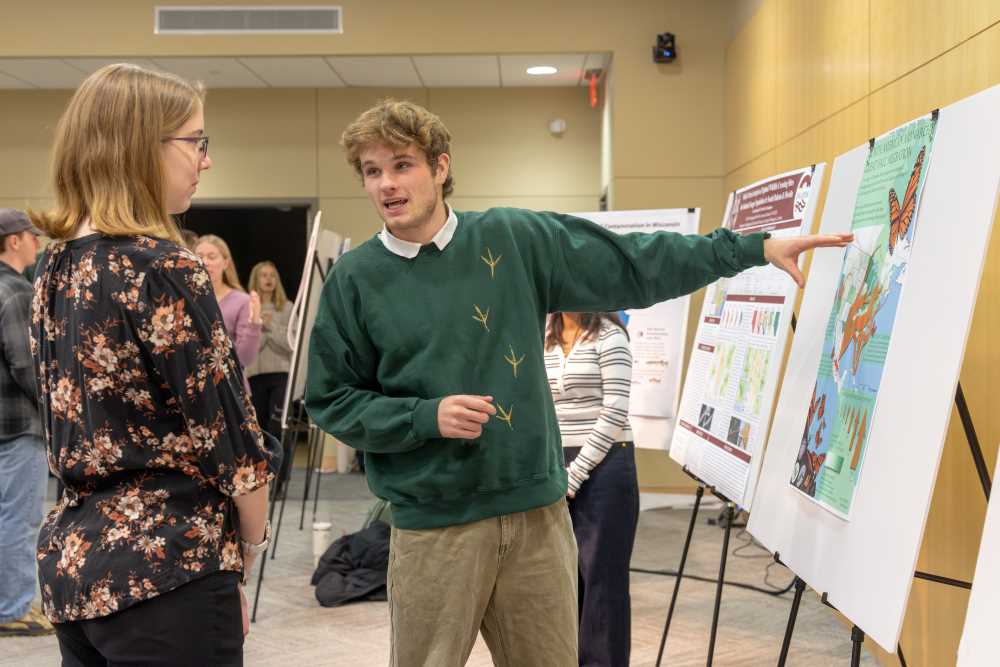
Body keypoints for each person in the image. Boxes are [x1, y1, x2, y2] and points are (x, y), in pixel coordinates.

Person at [304, 98, 851, 666]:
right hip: (434, 527)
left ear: (440, 167)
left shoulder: (513, 239)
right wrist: (423, 417)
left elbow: (631, 263)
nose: (387, 184)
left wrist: (749, 249)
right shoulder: (356, 279)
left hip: (537, 518)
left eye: (402, 165)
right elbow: (331, 399)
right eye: (373, 172)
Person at [28, 63, 276, 665]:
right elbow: (230, 436)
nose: (205, 159)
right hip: (169, 565)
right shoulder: (164, 265)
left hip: (75, 565)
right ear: (141, 148)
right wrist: (246, 547)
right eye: (196, 141)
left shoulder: (56, 268)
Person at [545, 311, 636, 666]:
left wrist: (575, 473)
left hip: (606, 465)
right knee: (565, 579)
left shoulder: (610, 336)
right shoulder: (545, 336)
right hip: (557, 465)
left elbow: (614, 412)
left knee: (602, 581)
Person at [0, 209, 50, 638]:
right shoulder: (16, 291)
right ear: (14, 241)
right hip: (18, 427)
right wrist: (59, 409)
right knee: (19, 519)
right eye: (32, 236)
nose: (38, 243)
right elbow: (26, 366)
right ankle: (13, 609)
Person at [195, 234, 263, 374]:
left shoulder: (241, 301)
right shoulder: (184, 300)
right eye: (199, 256)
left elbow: (245, 359)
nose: (205, 262)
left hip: (229, 388)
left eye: (212, 257)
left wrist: (254, 322)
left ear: (225, 263)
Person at [246, 261, 293, 436]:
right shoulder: (247, 307)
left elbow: (291, 344)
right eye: (264, 275)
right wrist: (260, 327)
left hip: (281, 375)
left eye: (272, 275)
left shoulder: (288, 308)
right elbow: (249, 348)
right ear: (255, 279)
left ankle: (283, 464)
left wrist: (270, 324)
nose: (269, 279)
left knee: (278, 426)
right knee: (260, 429)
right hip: (254, 376)